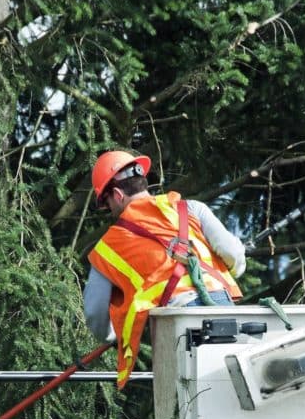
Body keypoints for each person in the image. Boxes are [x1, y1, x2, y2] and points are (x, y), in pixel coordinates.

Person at [83, 150, 247, 388]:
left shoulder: (108, 246)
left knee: (189, 401)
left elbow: (95, 313)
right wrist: (237, 269)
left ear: (117, 195)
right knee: (231, 388)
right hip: (223, 307)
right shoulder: (190, 209)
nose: (110, 212)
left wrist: (115, 336)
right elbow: (232, 253)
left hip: (176, 320)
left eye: (107, 204)